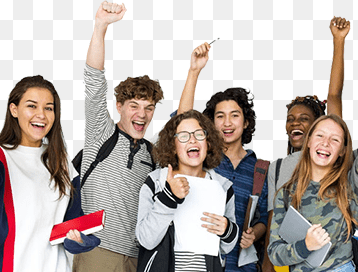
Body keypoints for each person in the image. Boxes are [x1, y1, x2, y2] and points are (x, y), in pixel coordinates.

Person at [0, 76, 98, 272]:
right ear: (14, 110)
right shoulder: (0, 156)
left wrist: (79, 239)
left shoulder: (63, 162)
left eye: (48, 108)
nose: (41, 114)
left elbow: (73, 220)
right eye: (32, 106)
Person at [76, 2, 164, 271]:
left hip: (138, 256)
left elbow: (183, 131)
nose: (142, 114)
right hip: (97, 250)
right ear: (120, 107)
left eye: (149, 108)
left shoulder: (153, 154)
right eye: (134, 106)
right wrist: (100, 27)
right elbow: (94, 81)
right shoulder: (101, 132)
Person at [266, 89, 358, 272]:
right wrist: (305, 246)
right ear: (308, 142)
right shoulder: (285, 193)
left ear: (341, 152)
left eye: (335, 139)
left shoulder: (353, 185)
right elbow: (275, 253)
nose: (325, 143)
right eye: (320, 136)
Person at [174, 43, 271, 271]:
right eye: (220, 116)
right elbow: (181, 125)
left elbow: (265, 217)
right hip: (200, 262)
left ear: (245, 122)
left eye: (234, 115)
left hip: (243, 264)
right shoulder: (202, 159)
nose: (227, 123)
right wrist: (194, 71)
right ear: (211, 123)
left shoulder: (261, 169)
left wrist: (254, 233)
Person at [136, 110, 240, 272]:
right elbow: (146, 240)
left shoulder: (222, 187)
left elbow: (227, 247)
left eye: (199, 134)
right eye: (184, 136)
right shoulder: (155, 182)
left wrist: (227, 229)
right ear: (173, 146)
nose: (192, 140)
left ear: (208, 142)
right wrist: (169, 198)